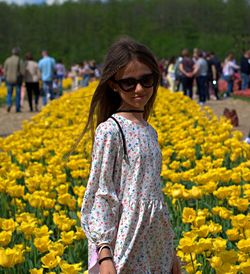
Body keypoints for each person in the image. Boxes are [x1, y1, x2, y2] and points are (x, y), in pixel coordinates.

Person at [80, 37, 181, 274]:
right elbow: (102, 193)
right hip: (126, 240)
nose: (139, 89)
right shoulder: (110, 130)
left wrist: (171, 252)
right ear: (114, 85)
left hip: (156, 242)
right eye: (128, 83)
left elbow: (154, 194)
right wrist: (104, 256)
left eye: (147, 80)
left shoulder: (149, 130)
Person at [4, 47, 24, 112]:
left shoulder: (7, 60)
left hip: (8, 79)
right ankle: (17, 108)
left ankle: (8, 104)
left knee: (9, 93)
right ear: (18, 53)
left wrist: (5, 78)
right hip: (17, 79)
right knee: (18, 94)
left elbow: (5, 70)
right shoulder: (19, 60)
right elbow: (22, 71)